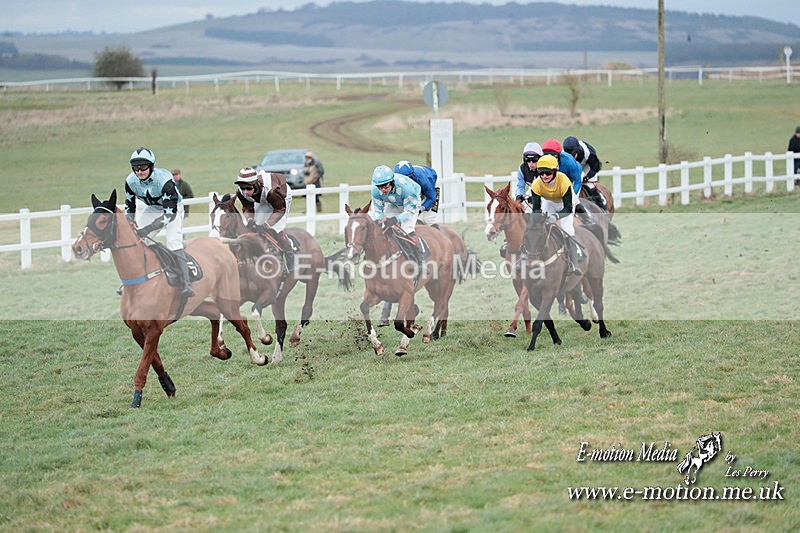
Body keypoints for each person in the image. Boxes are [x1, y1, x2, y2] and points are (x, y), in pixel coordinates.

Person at [124, 147, 195, 298]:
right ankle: (134, 281)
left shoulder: (164, 180)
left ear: (151, 166)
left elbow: (169, 215)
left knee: (173, 242)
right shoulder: (130, 181)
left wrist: (148, 229)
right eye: (136, 168)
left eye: (143, 167)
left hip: (173, 209)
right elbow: (130, 205)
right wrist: (129, 220)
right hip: (153, 208)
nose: (139, 172)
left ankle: (186, 283)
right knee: (137, 240)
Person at [371, 165, 424, 327]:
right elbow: (378, 211)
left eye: (385, 186)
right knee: (383, 230)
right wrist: (382, 220)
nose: (383, 189)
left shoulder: (406, 187)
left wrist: (395, 220)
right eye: (380, 186)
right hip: (393, 203)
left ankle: (418, 257)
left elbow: (409, 212)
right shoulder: (376, 191)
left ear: (392, 182)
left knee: (406, 230)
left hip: (410, 203)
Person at [528, 154, 583, 275]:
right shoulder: (536, 184)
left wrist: (556, 216)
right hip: (549, 202)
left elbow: (568, 208)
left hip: (565, 203)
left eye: (547, 173)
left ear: (555, 171)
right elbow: (536, 210)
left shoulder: (564, 181)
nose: (544, 176)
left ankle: (574, 262)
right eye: (541, 173)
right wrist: (537, 219)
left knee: (567, 229)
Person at [234, 167, 295, 272]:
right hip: (261, 198)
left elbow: (279, 210)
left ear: (255, 184)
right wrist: (250, 220)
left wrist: (266, 225)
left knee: (275, 228)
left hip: (280, 199)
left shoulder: (272, 191)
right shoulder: (241, 192)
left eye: (248, 188)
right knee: (253, 227)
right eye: (243, 188)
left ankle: (290, 255)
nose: (246, 192)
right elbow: (247, 207)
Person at [542, 137, 595, 225]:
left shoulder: (569, 162)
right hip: (557, 179)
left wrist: (570, 196)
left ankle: (587, 217)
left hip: (573, 178)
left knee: (572, 200)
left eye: (553, 156)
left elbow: (577, 181)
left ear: (559, 155)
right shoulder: (542, 162)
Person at [562, 136, 607, 211]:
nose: (571, 158)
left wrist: (587, 177)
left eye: (572, 155)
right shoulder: (562, 155)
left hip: (587, 166)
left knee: (590, 186)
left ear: (577, 151)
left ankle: (601, 203)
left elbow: (595, 167)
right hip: (573, 166)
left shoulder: (589, 153)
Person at [393, 160, 439, 227]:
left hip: (431, 187)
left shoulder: (423, 181)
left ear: (412, 175)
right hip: (417, 188)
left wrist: (420, 209)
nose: (404, 182)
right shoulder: (394, 180)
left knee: (428, 219)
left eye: (407, 179)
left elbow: (431, 198)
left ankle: (437, 232)